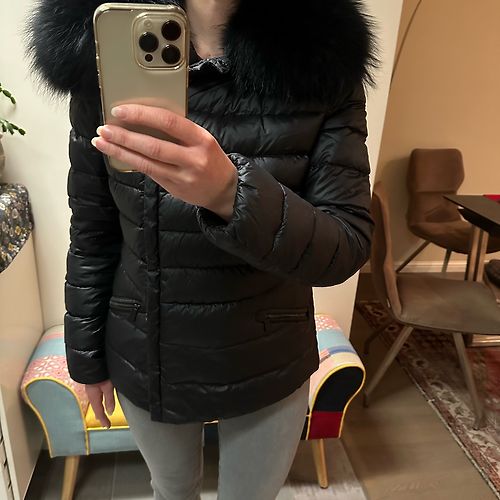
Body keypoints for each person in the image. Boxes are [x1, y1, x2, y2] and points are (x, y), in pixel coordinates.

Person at [25, 0, 379, 498]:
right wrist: (85, 358)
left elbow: (346, 244)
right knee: (171, 490)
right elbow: (92, 230)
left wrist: (231, 193)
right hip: (144, 351)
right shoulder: (104, 56)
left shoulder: (324, 59)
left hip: (267, 353)